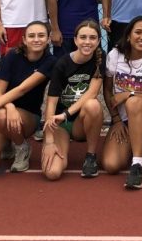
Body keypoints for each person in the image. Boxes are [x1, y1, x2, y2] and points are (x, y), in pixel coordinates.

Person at [0, 20, 57, 179]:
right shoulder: (12, 55)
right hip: (3, 114)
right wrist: (9, 107)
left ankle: (21, 146)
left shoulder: (50, 62)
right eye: (31, 36)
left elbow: (22, 89)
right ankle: (8, 141)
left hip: (28, 117)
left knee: (1, 115)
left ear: (48, 39)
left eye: (41, 35)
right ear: (24, 39)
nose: (36, 39)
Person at [101, 15, 142, 190]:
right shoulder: (115, 55)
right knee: (111, 165)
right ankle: (134, 142)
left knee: (133, 103)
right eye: (138, 32)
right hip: (122, 119)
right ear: (129, 35)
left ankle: (137, 165)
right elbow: (107, 90)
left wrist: (128, 94)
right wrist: (115, 120)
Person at [40, 19, 105, 180]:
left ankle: (90, 156)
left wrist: (66, 114)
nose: (87, 42)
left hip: (80, 122)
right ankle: (57, 144)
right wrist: (49, 141)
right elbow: (51, 103)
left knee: (93, 105)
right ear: (75, 40)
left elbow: (92, 93)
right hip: (60, 123)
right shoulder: (62, 63)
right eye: (83, 37)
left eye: (92, 38)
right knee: (52, 173)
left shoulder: (100, 58)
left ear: (98, 41)